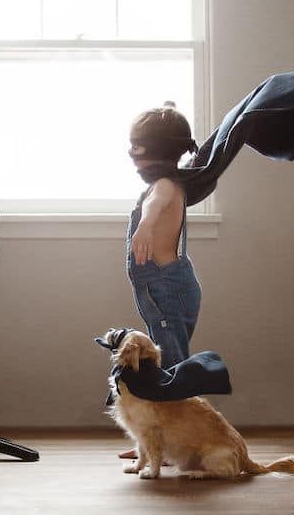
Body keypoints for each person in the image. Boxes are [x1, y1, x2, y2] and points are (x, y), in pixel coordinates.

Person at [119, 102, 202, 459]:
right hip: (165, 288)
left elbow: (157, 202)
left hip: (164, 290)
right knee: (159, 366)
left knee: (172, 370)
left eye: (136, 150)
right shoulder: (168, 181)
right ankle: (151, 442)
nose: (132, 158)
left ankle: (182, 441)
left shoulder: (165, 184)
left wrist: (145, 225)